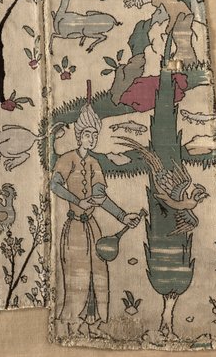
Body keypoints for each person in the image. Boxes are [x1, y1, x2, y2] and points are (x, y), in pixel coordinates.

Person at [50, 102, 140, 339]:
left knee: (97, 275)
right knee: (76, 275)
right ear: (79, 136)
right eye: (88, 134)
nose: (92, 139)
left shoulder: (94, 163)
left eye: (95, 135)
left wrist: (122, 216)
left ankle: (92, 325)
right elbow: (55, 185)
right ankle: (72, 325)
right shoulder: (67, 159)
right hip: (74, 228)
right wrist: (76, 201)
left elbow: (101, 197)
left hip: (93, 228)